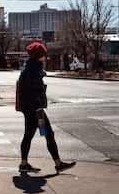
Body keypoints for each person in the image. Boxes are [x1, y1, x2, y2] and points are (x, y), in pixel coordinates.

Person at [17, 42, 76, 174]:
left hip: (31, 109)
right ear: (39, 56)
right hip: (36, 110)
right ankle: (58, 164)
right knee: (48, 134)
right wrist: (38, 110)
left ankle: (24, 163)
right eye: (43, 54)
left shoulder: (31, 69)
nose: (44, 57)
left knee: (29, 135)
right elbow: (32, 93)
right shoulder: (32, 72)